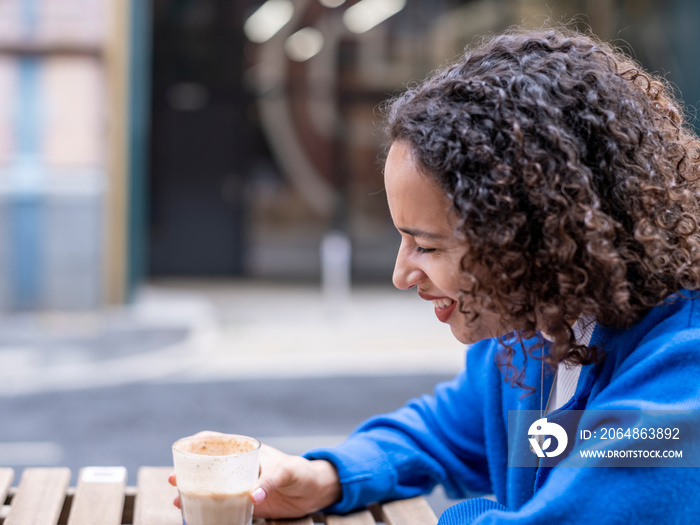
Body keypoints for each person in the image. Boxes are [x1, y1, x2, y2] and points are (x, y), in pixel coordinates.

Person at [172, 25, 700, 523]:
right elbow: (440, 431)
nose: (403, 275)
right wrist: (326, 474)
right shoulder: (538, 330)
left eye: (425, 245)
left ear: (531, 237)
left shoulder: (681, 380)